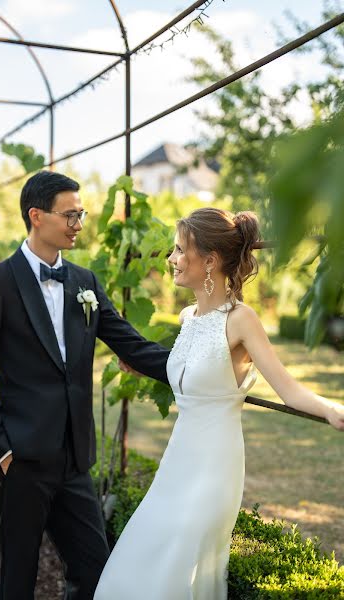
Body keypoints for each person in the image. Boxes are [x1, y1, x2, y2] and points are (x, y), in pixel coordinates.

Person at [94, 207, 344, 600]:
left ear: (209, 261)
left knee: (179, 571)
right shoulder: (189, 315)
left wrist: (331, 409)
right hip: (176, 463)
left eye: (179, 250)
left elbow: (288, 390)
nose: (172, 259)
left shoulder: (241, 319)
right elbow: (192, 373)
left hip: (213, 471)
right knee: (139, 562)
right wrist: (150, 370)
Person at [0, 170, 170, 600]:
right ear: (36, 216)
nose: (78, 224)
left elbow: (131, 343)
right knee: (18, 580)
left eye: (81, 214)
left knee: (95, 574)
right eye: (70, 215)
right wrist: (1, 452)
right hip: (22, 462)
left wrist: (193, 365)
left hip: (74, 461)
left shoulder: (85, 283)